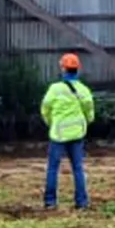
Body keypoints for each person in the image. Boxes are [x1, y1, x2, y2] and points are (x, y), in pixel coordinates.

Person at [40, 51, 96, 211]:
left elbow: (45, 108)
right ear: (77, 70)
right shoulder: (84, 90)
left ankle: (50, 202)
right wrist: (87, 122)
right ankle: (82, 202)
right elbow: (89, 111)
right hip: (77, 133)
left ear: (63, 69)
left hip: (58, 134)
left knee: (53, 168)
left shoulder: (54, 89)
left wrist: (51, 123)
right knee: (78, 168)